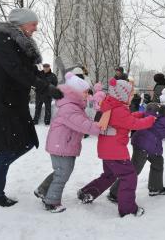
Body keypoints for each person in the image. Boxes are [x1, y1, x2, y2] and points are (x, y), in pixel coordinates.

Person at [0, 8, 63, 207]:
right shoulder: (2, 42)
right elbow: (16, 71)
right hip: (1, 104)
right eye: (33, 24)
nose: (36, 28)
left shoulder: (21, 45)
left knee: (26, 143)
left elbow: (31, 71)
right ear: (21, 24)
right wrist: (44, 87)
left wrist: (53, 86)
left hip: (15, 104)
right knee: (8, 147)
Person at [34, 72, 115, 213]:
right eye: (84, 92)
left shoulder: (73, 105)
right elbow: (82, 124)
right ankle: (51, 202)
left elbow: (82, 120)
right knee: (63, 173)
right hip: (62, 145)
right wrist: (99, 127)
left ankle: (43, 190)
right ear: (75, 92)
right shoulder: (70, 107)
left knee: (61, 171)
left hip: (64, 144)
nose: (87, 94)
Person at [77, 78, 155, 217]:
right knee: (129, 176)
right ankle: (128, 209)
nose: (132, 97)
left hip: (106, 150)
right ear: (122, 95)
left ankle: (87, 192)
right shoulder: (119, 110)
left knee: (110, 175)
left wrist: (140, 114)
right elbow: (133, 124)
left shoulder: (111, 105)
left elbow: (126, 120)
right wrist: (150, 120)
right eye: (130, 95)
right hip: (116, 152)